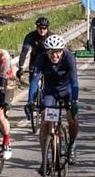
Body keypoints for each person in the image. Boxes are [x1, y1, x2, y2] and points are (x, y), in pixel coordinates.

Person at [27, 35, 80, 166]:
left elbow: (74, 81)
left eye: (58, 51)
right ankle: (44, 159)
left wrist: (74, 101)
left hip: (67, 91)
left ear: (62, 51)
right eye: (51, 52)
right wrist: (30, 101)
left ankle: (72, 145)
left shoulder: (69, 57)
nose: (54, 55)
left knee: (72, 119)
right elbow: (35, 81)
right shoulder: (41, 58)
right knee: (45, 120)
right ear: (46, 52)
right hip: (51, 92)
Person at [16, 16, 51, 81]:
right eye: (40, 28)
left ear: (47, 28)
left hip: (48, 57)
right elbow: (24, 52)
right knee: (32, 79)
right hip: (35, 57)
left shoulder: (51, 36)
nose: (42, 30)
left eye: (44, 28)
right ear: (37, 28)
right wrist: (21, 67)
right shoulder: (30, 36)